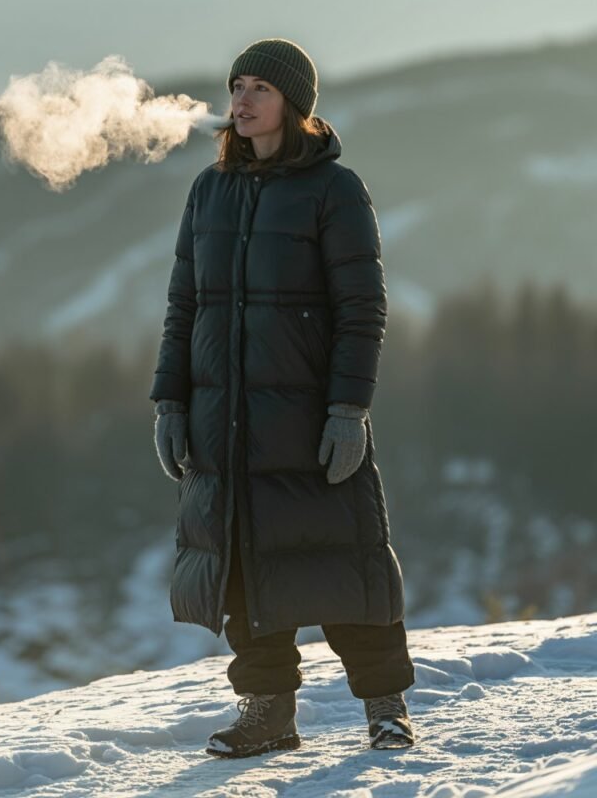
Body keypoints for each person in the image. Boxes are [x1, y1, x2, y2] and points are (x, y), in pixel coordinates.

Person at [150, 37, 416, 759]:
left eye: (259, 88)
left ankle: (385, 707)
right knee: (243, 571)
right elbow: (184, 306)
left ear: (294, 104)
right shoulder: (209, 191)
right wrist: (170, 403)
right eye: (236, 85)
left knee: (343, 558)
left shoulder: (334, 190)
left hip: (307, 418)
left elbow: (363, 309)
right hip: (223, 421)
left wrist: (348, 410)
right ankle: (267, 712)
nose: (240, 100)